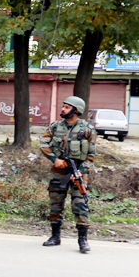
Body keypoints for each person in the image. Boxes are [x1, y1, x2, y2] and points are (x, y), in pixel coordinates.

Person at [39, 96, 97, 253]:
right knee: (55, 204)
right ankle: (55, 236)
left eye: (66, 107)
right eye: (63, 106)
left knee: (80, 205)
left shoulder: (87, 130)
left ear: (76, 110)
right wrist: (54, 159)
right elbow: (43, 143)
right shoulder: (55, 127)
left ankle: (83, 241)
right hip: (59, 171)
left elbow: (91, 156)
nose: (62, 109)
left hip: (78, 172)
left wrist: (80, 171)